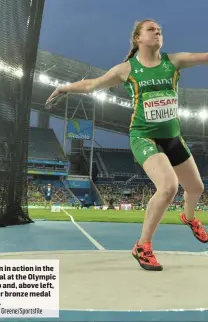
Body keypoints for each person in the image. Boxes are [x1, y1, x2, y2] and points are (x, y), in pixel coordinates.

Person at [46, 19, 208, 271]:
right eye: (151, 29)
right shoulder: (126, 69)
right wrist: (63, 87)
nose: (158, 32)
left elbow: (204, 56)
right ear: (138, 39)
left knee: (196, 188)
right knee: (168, 187)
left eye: (160, 30)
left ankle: (188, 217)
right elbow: (92, 84)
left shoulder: (173, 61)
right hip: (144, 137)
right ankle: (143, 245)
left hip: (173, 138)